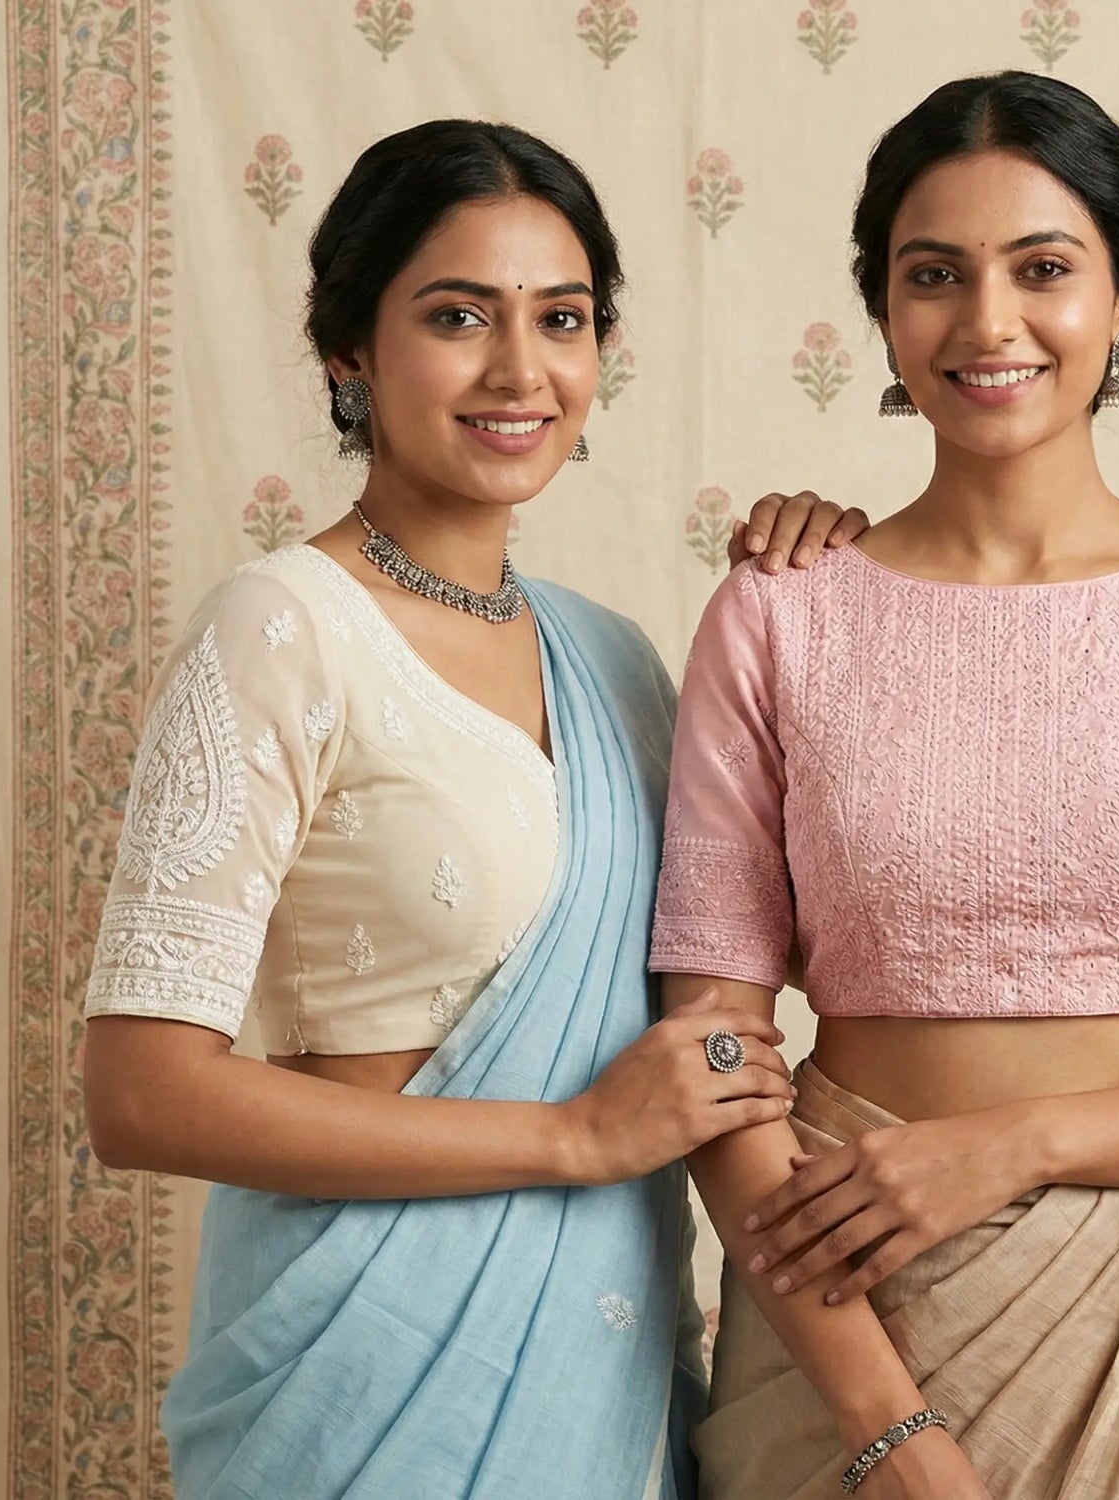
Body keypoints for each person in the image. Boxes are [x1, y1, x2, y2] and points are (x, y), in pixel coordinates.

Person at [652, 73, 1119, 1499]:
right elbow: (710, 1051)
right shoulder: (781, 612)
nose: (988, 323)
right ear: (882, 307)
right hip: (836, 1338)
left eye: (1045, 270)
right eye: (933, 275)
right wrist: (889, 1434)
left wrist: (1012, 1149)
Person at [79, 118, 865, 1499]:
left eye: (560, 319)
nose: (520, 371)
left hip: (599, 1369)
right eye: (457, 316)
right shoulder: (280, 630)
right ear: (350, 351)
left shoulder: (617, 657)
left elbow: (770, 941)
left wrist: (857, 590)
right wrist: (572, 1138)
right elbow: (141, 1096)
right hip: (356, 1376)